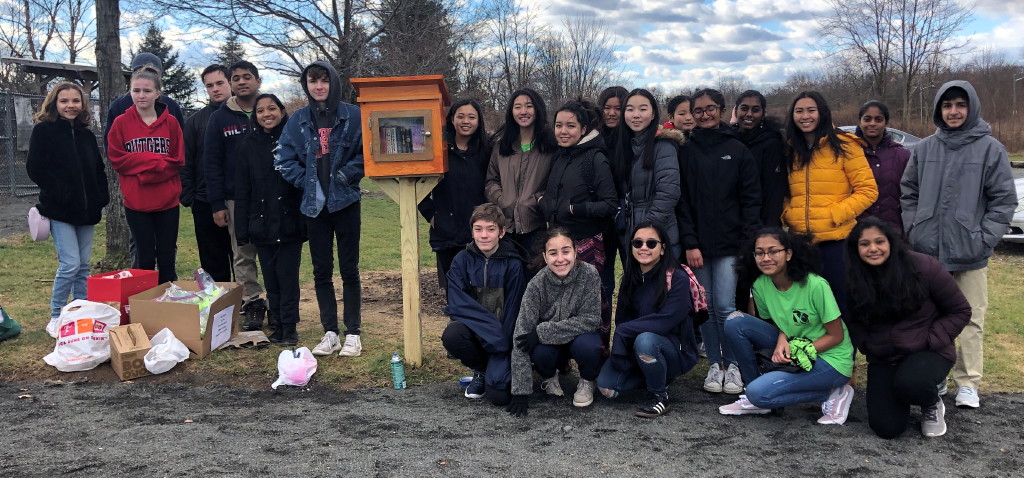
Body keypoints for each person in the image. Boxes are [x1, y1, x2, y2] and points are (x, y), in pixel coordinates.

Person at [900, 80, 1018, 409]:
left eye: (960, 105)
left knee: (970, 318)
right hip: (928, 254)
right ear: (939, 109)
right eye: (947, 105)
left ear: (971, 108)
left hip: (970, 253)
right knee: (929, 318)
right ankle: (934, 376)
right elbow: (908, 192)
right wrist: (914, 228)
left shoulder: (991, 149)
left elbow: (1004, 201)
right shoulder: (924, 149)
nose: (953, 111)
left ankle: (968, 382)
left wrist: (984, 238)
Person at [845, 217, 971, 438]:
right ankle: (905, 391)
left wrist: (932, 339)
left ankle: (931, 402)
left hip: (928, 350)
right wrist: (868, 345)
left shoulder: (924, 266)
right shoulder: (854, 276)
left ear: (891, 242)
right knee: (887, 428)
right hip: (885, 356)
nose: (873, 249)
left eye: (879, 241)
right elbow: (853, 321)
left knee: (913, 382)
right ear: (856, 249)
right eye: (864, 244)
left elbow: (960, 310)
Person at [719, 228, 856, 425]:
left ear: (789, 254)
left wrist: (800, 349)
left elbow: (836, 336)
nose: (766, 258)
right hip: (795, 345)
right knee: (735, 322)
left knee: (761, 393)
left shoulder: (816, 285)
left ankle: (835, 391)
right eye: (759, 253)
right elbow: (780, 321)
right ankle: (753, 393)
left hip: (830, 359)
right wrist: (783, 339)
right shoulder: (760, 284)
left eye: (773, 251)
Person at [275, 61, 365, 357]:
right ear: (307, 85)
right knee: (321, 271)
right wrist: (306, 181)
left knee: (349, 269)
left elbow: (367, 154)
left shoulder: (352, 116)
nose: (318, 86)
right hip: (314, 206)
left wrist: (344, 175)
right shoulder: (298, 119)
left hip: (346, 202)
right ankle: (330, 332)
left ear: (333, 82)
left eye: (324, 80)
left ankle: (353, 332)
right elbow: (284, 158)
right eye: (313, 81)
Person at [676, 88, 760, 395]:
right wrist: (689, 242)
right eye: (698, 110)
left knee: (726, 305)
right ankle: (715, 364)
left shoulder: (737, 150)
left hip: (730, 245)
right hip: (697, 245)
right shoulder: (686, 150)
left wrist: (746, 243)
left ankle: (735, 364)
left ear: (721, 110)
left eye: (710, 109)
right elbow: (681, 201)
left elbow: (751, 201)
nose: (704, 114)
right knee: (706, 307)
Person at [782, 91, 878, 317]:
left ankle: (845, 353)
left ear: (822, 112)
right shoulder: (790, 150)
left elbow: (868, 190)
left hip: (836, 242)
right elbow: (786, 191)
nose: (805, 116)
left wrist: (835, 214)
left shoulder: (845, 145)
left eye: (811, 110)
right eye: (799, 111)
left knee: (841, 305)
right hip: (800, 243)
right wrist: (788, 215)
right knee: (808, 309)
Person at [27, 82, 110, 338]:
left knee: (84, 265)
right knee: (70, 264)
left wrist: (100, 196)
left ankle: (80, 311)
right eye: (65, 101)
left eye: (76, 101)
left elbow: (97, 168)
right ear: (54, 103)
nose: (70, 106)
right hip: (59, 210)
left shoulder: (86, 134)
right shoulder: (44, 131)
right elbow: (36, 168)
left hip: (87, 211)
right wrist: (60, 193)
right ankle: (55, 315)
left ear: (83, 104)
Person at [597, 222, 700, 418]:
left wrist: (624, 331)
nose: (644, 248)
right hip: (637, 349)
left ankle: (659, 395)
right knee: (606, 388)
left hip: (673, 349)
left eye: (651, 243)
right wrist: (623, 344)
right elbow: (622, 320)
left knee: (645, 339)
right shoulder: (630, 278)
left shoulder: (678, 278)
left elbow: (665, 321)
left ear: (663, 249)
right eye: (638, 243)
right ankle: (654, 374)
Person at [540, 100, 617, 351]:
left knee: (592, 304)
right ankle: (560, 360)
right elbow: (554, 195)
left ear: (583, 129)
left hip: (587, 244)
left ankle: (596, 358)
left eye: (570, 126)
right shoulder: (560, 156)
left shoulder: (595, 158)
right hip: (559, 242)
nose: (563, 131)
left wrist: (574, 208)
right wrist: (543, 202)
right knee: (560, 304)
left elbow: (609, 204)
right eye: (559, 125)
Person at [506, 228, 604, 416]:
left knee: (589, 346)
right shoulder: (536, 285)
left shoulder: (589, 274)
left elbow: (591, 320)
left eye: (566, 251)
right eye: (553, 253)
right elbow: (521, 335)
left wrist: (543, 331)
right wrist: (520, 392)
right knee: (540, 352)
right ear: (545, 256)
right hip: (552, 347)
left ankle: (587, 380)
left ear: (575, 252)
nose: (560, 259)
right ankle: (550, 377)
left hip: (580, 339)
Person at [233, 94, 306, 346]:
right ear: (255, 116)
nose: (267, 114)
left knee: (288, 278)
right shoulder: (247, 146)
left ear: (282, 112)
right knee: (271, 279)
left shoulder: (295, 142)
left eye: (272, 108)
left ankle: (290, 327)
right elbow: (242, 191)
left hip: (289, 224)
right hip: (261, 224)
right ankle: (277, 323)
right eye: (261, 110)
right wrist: (242, 231)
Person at [103, 53, 185, 270]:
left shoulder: (172, 123)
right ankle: (144, 302)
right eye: (136, 90)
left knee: (167, 256)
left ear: (158, 93)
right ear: (129, 92)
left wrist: (143, 168)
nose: (141, 95)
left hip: (167, 201)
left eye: (147, 91)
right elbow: (117, 158)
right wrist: (156, 161)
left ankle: (167, 301)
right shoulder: (121, 123)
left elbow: (177, 159)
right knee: (144, 256)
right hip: (137, 202)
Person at [442, 203, 528, 406]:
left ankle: (502, 368)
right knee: (452, 334)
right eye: (478, 229)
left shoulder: (513, 263)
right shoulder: (461, 260)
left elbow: (515, 309)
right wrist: (490, 332)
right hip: (479, 333)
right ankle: (480, 370)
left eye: (490, 229)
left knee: (499, 397)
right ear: (472, 231)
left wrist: (503, 343)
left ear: (502, 232)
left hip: (502, 339)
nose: (484, 235)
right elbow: (457, 305)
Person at [204, 60, 268, 330]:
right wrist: (217, 203)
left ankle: (279, 303)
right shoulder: (220, 117)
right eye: (236, 78)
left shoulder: (270, 110)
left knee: (272, 252)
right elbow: (211, 162)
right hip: (234, 199)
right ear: (231, 84)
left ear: (258, 80)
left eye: (247, 77)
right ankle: (252, 303)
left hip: (269, 197)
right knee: (242, 254)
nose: (242, 82)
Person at [418, 99, 490, 294]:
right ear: (451, 119)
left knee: (480, 291)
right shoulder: (438, 150)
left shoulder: (486, 151)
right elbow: (417, 185)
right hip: (446, 234)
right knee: (455, 291)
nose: (466, 121)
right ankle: (457, 325)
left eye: (471, 117)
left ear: (478, 121)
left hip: (479, 234)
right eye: (461, 116)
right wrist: (432, 216)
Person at [484, 88, 556, 255]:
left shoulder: (551, 147)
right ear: (511, 112)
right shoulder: (501, 146)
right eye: (517, 107)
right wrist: (501, 199)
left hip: (536, 227)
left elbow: (556, 182)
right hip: (505, 229)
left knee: (534, 279)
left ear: (538, 109)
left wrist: (537, 200)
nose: (523, 111)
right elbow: (491, 180)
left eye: (529, 106)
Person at [180, 64, 234, 283]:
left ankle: (249, 302)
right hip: (204, 201)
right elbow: (185, 162)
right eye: (209, 85)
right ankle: (218, 307)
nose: (215, 89)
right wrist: (190, 198)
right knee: (213, 260)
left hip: (239, 198)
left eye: (220, 83)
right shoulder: (195, 122)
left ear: (230, 83)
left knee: (242, 257)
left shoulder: (245, 116)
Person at [614, 89, 682, 260]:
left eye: (643, 109)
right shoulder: (628, 146)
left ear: (653, 115)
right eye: (630, 109)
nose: (635, 115)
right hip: (633, 232)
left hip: (658, 236)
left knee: (661, 286)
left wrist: (648, 230)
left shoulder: (664, 145)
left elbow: (668, 192)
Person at [596, 86, 629, 329]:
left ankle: (629, 337)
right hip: (602, 217)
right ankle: (602, 339)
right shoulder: (594, 139)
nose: (612, 113)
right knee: (604, 280)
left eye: (618, 108)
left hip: (631, 216)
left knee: (634, 277)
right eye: (607, 107)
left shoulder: (636, 138)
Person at [732, 90, 786, 228]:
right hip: (731, 223)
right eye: (744, 108)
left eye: (755, 110)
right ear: (736, 111)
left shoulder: (773, 143)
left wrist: (768, 230)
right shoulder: (729, 140)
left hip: (761, 222)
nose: (749, 114)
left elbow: (774, 192)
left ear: (763, 113)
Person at [854, 100, 910, 233]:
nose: (872, 123)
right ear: (860, 121)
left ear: (886, 122)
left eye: (878, 119)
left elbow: (910, 195)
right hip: (857, 233)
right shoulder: (849, 154)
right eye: (867, 119)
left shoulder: (902, 155)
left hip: (893, 231)